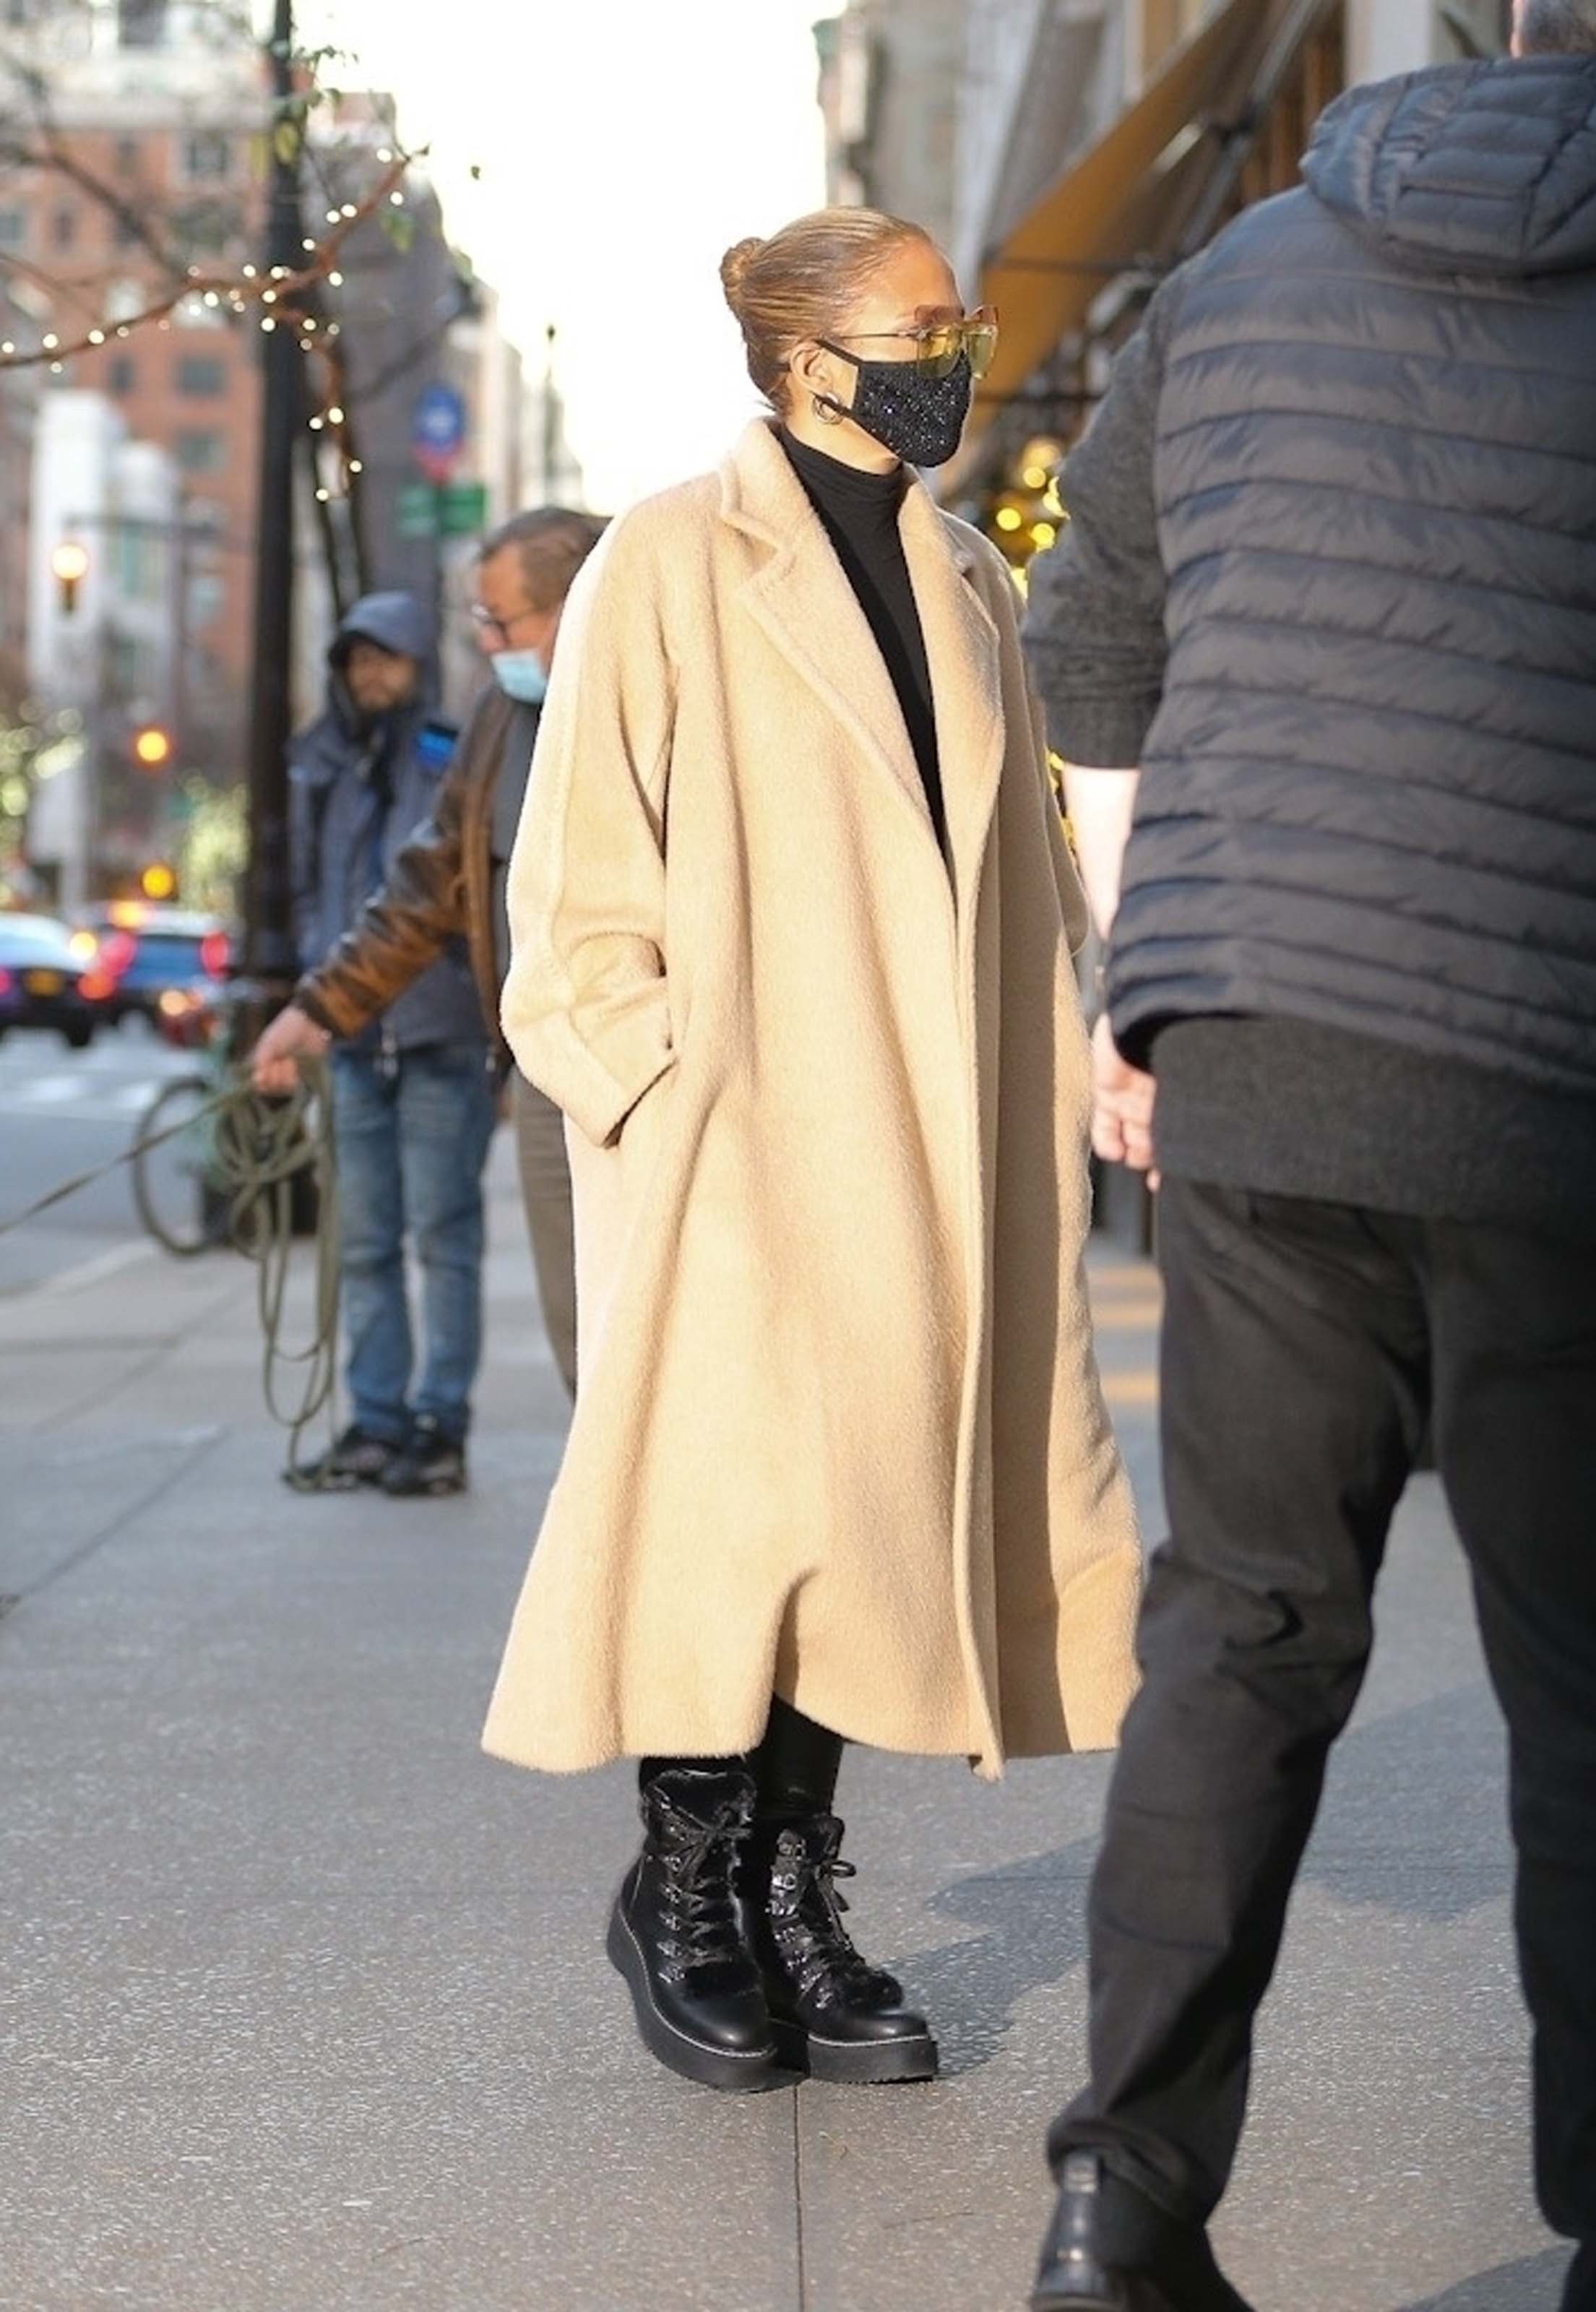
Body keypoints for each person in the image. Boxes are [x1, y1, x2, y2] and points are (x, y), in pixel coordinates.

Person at [1022, 5, 1596, 2308]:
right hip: (1572, 1076)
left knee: (1242, 1633)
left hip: (1260, 1049)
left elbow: (1090, 666)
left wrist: (1138, 1000)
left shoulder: (1243, 271)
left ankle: (1122, 2199)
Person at [484, 207, 1142, 2095]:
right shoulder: (669, 562)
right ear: (799, 358)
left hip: (929, 1144)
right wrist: (649, 1090)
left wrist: (1068, 1066)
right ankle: (689, 1884)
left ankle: (791, 1890)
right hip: (741, 1137)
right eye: (921, 326)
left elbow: (1016, 873)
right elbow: (580, 872)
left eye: (959, 318)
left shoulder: (964, 575)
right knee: (736, 1525)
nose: (959, 350)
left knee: (859, 1527)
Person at [252, 509, 606, 1407]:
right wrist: (320, 1007)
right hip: (544, 1069)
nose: (488, 643)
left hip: (666, 1072)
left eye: (502, 622)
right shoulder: (497, 718)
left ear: (577, 605)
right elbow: (429, 878)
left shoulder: (660, 698)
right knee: (582, 1331)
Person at [282, 591, 495, 1499]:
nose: (370, 677)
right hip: (352, 1041)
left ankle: (438, 1425)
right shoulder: (318, 761)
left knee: (443, 1239)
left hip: (441, 1036)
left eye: (387, 659)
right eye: (356, 661)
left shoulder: (450, 754)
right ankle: (374, 1422)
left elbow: (445, 885)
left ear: (418, 664)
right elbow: (303, 885)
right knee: (363, 1241)